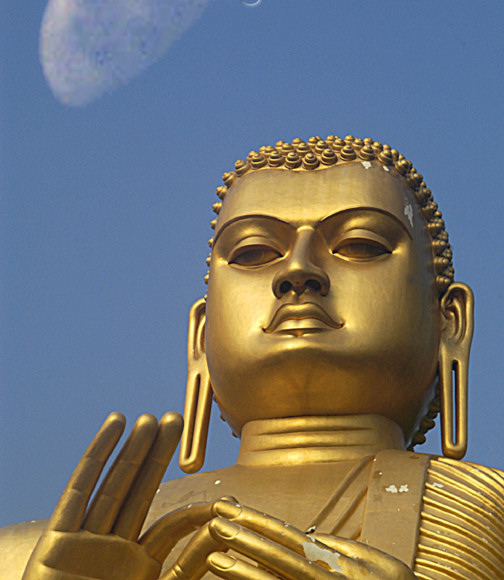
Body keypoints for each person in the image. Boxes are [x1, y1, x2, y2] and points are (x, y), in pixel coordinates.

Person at [2, 135, 503, 579]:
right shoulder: (33, 554)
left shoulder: (488, 514)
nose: (299, 273)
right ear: (200, 334)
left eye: (360, 244)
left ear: (450, 322)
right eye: (252, 252)